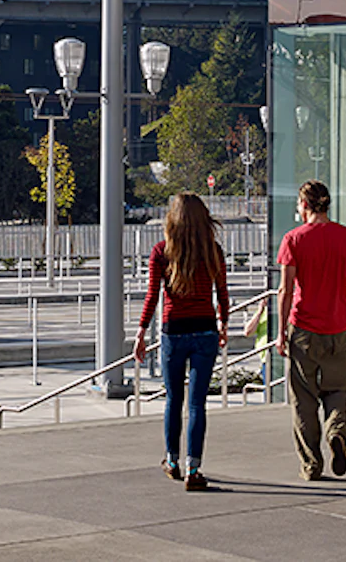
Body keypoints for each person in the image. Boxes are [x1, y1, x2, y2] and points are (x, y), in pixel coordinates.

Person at [133, 192, 230, 490]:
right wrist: (224, 323)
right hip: (205, 330)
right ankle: (194, 469)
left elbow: (153, 296)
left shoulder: (162, 251)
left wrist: (141, 331)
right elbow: (222, 293)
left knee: (174, 400)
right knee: (198, 403)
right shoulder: (213, 251)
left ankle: (172, 461)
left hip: (173, 331)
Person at [276, 179, 346, 481]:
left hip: (303, 328)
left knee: (304, 399)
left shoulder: (293, 239)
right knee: (337, 390)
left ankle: (311, 465)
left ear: (305, 205)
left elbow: (286, 290)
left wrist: (280, 332)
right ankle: (336, 432)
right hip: (338, 326)